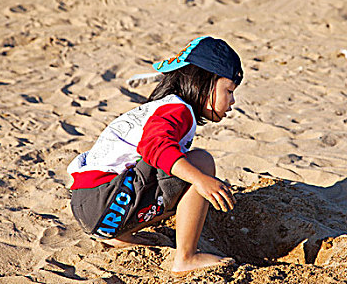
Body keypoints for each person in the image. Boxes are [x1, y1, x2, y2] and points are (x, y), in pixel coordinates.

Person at [67, 36, 243, 274]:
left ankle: (121, 235)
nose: (232, 101)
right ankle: (186, 258)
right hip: (106, 200)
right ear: (203, 81)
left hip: (89, 207)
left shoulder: (162, 107)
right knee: (201, 164)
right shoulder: (177, 110)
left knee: (182, 172)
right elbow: (155, 148)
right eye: (229, 91)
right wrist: (201, 179)